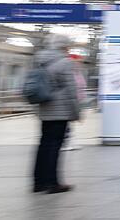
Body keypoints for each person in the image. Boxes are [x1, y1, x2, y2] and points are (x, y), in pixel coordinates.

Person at [32, 34, 80, 193]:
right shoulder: (65, 62)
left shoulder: (40, 60)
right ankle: (53, 183)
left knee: (43, 145)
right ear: (64, 46)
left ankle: (38, 183)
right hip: (60, 111)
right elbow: (72, 90)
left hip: (44, 107)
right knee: (55, 147)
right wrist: (76, 112)